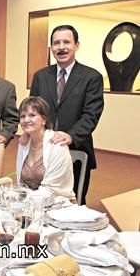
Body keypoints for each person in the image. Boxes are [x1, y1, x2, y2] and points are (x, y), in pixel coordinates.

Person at [29, 25, 104, 205]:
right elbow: (32, 110)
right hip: (42, 150)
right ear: (51, 47)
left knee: (72, 201)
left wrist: (71, 136)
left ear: (76, 45)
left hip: (75, 149)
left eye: (66, 42)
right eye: (56, 43)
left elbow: (91, 114)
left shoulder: (91, 77)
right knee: (39, 200)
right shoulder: (40, 76)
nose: (61, 47)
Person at [16, 96, 75, 200]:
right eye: (22, 116)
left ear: (43, 119)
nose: (26, 120)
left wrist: (25, 199)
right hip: (29, 205)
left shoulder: (57, 144)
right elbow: (20, 184)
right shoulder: (24, 142)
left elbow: (50, 190)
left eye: (32, 115)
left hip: (56, 204)